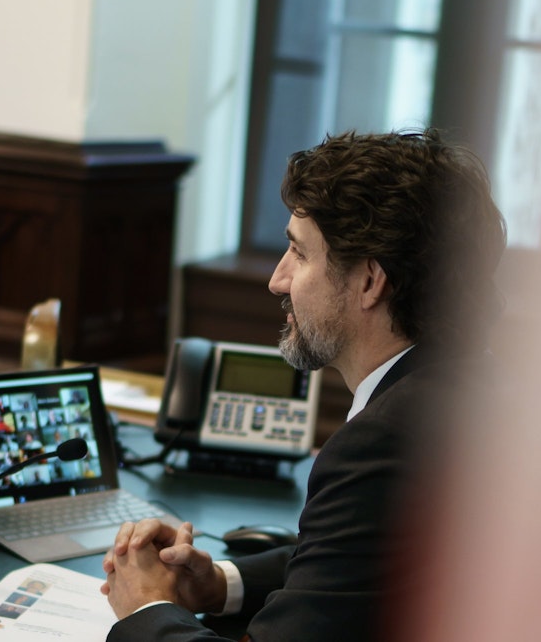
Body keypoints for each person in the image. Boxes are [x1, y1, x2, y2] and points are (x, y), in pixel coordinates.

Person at [100, 129, 507, 642]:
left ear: (369, 281)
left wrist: (145, 609)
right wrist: (220, 582)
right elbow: (355, 561)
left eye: (299, 254)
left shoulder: (383, 441)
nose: (277, 279)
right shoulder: (468, 380)